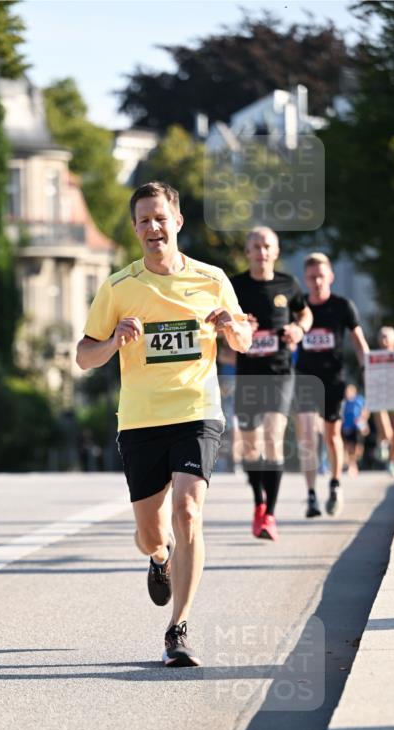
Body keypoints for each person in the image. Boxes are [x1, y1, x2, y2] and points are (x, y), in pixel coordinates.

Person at [77, 180, 251, 667]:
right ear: (135, 229)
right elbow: (83, 356)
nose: (153, 227)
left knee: (189, 509)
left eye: (160, 218)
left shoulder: (212, 279)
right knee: (151, 533)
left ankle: (179, 628)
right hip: (141, 421)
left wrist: (230, 327)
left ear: (177, 222)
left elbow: (245, 342)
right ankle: (160, 559)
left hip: (197, 411)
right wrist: (113, 342)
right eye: (144, 221)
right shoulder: (119, 287)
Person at [231, 227, 313, 541]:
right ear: (248, 251)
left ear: (275, 251)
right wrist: (239, 328)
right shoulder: (235, 286)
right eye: (256, 246)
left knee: (273, 437)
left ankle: (271, 516)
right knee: (251, 447)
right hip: (247, 376)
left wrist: (299, 330)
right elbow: (220, 326)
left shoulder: (288, 285)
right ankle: (258, 503)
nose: (262, 252)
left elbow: (305, 315)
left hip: (279, 375)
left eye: (267, 246)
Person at [294, 252, 369, 516]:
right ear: (305, 278)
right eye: (312, 277)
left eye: (321, 277)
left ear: (331, 277)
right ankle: (312, 494)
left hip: (333, 380)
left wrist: (368, 368)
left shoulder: (343, 306)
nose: (316, 282)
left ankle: (335, 485)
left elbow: (360, 343)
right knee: (306, 435)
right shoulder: (298, 306)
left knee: (332, 435)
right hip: (304, 378)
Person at [372, 326, 394, 478]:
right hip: (380, 398)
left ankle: (393, 461)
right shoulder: (373, 358)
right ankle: (382, 442)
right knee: (387, 432)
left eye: (387, 337)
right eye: (382, 336)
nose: (384, 340)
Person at [341, 383, 368, 476]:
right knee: (349, 447)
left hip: (358, 427)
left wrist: (364, 422)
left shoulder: (359, 400)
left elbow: (365, 411)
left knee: (358, 448)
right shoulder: (344, 402)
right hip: (348, 427)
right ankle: (352, 465)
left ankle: (354, 463)